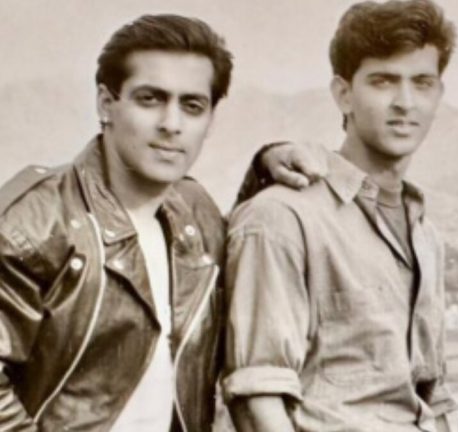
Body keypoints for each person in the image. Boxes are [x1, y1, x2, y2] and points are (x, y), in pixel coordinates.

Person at [0, 13, 320, 431]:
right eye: (150, 99)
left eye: (192, 106)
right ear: (106, 103)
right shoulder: (35, 221)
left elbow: (228, 264)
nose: (172, 124)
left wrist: (264, 169)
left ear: (210, 118)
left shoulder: (196, 212)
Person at [223, 0, 458, 431]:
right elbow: (258, 397)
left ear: (438, 95)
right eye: (383, 81)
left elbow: (432, 393)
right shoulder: (282, 217)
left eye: (422, 83)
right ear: (343, 94)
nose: (405, 102)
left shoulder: (425, 234)